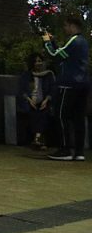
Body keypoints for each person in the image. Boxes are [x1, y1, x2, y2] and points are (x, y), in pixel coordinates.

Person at [43, 15, 89, 161]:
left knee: (61, 116)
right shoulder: (83, 41)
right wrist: (54, 42)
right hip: (82, 84)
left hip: (68, 85)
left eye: (65, 26)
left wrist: (46, 43)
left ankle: (65, 149)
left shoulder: (74, 41)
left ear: (71, 25)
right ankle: (79, 152)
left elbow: (55, 56)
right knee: (78, 118)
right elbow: (64, 54)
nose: (64, 28)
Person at [17, 52, 55, 151]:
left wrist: (46, 100)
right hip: (29, 102)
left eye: (40, 61)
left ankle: (37, 139)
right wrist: (29, 100)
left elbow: (52, 90)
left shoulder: (48, 75)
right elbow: (22, 91)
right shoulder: (27, 75)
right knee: (33, 112)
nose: (38, 63)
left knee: (43, 112)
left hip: (44, 102)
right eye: (36, 61)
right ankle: (37, 139)